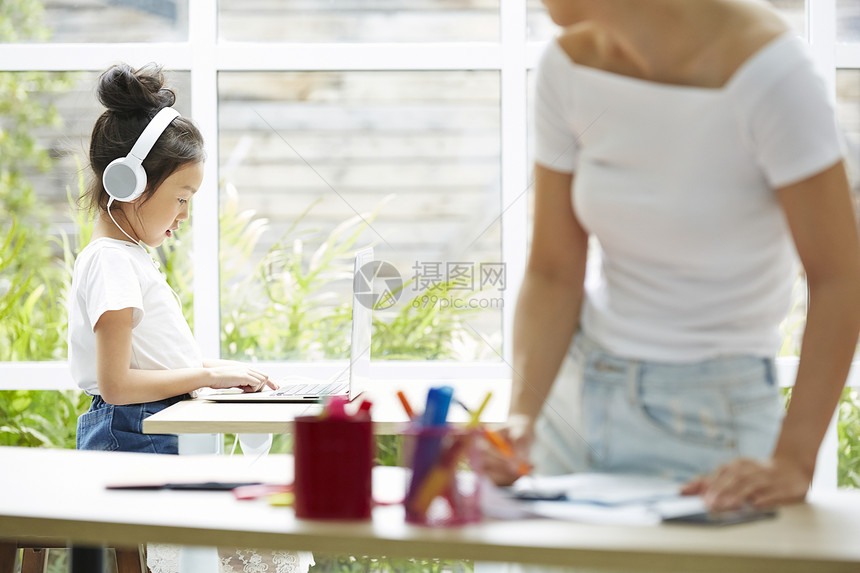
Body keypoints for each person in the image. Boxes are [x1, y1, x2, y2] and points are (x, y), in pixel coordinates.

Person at [484, 0, 860, 514]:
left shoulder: (771, 76)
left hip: (714, 421)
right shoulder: (567, 68)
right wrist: (523, 415)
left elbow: (840, 277)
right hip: (573, 404)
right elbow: (553, 271)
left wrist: (795, 458)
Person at [69, 63, 311, 573]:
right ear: (130, 183)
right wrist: (205, 376)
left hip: (147, 428)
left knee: (246, 527)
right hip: (130, 435)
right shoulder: (112, 261)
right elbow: (115, 385)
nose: (184, 214)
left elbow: (152, 359)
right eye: (181, 199)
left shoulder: (127, 256)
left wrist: (217, 374)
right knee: (249, 531)